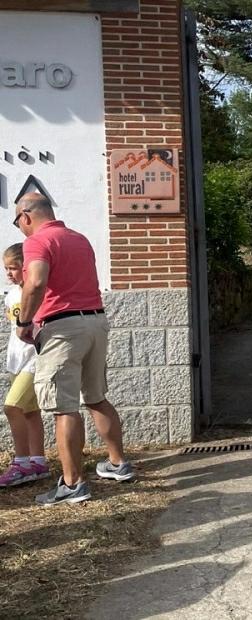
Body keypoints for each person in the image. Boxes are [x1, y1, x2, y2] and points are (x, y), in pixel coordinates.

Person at [13, 193, 135, 506]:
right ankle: (118, 464)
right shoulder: (78, 238)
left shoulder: (37, 241)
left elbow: (36, 282)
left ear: (26, 216)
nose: (19, 227)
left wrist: (24, 321)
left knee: (64, 407)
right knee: (96, 397)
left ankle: (72, 483)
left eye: (17, 221)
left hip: (62, 328)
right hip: (95, 321)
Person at [0, 243, 50, 488]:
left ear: (26, 267)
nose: (9, 273)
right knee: (30, 412)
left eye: (13, 268)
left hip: (34, 358)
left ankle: (20, 462)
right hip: (15, 359)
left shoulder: (37, 293)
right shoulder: (11, 296)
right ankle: (38, 462)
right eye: (6, 268)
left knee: (12, 408)